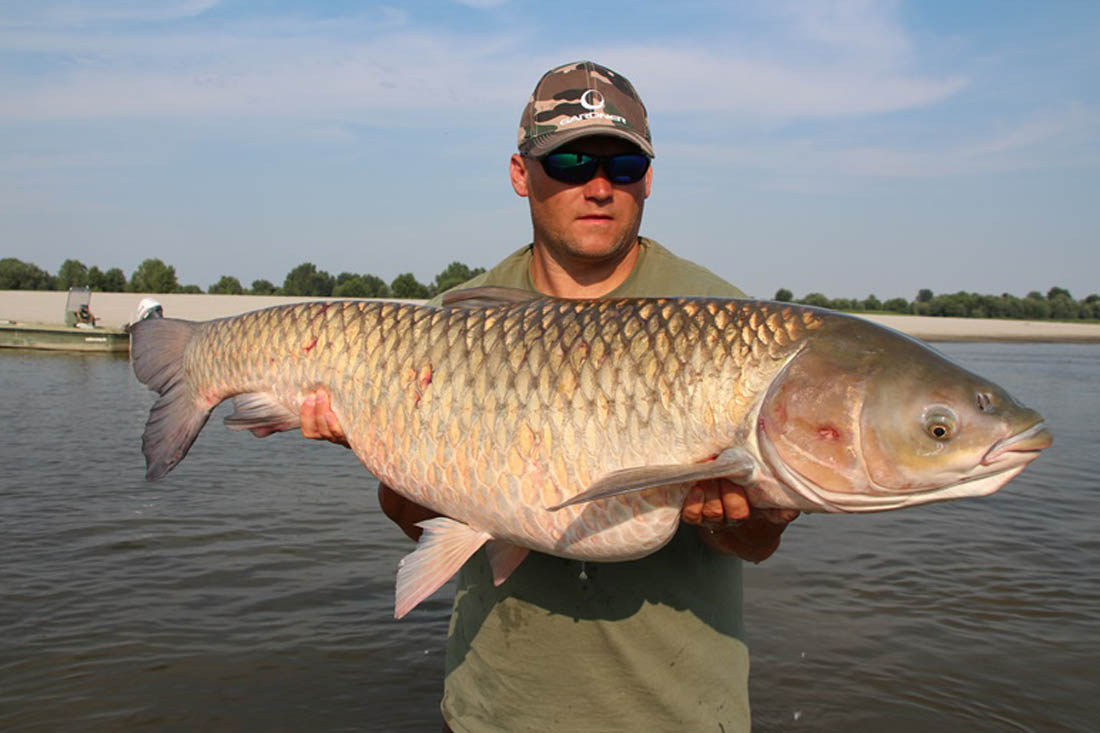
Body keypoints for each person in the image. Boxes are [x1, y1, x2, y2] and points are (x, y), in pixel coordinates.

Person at [301, 60, 797, 732]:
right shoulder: (453, 323)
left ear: (649, 178)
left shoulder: (728, 321)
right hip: (494, 710)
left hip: (678, 713)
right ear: (521, 174)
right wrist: (381, 442)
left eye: (622, 165)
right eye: (569, 162)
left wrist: (741, 518)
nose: (599, 187)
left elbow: (758, 543)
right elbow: (412, 518)